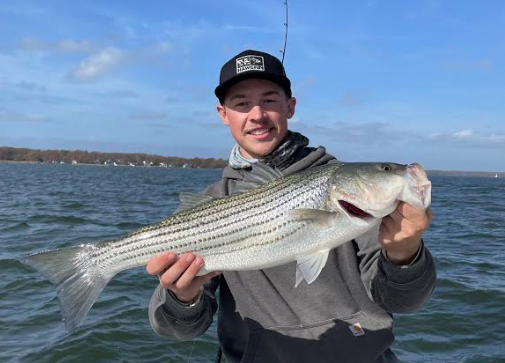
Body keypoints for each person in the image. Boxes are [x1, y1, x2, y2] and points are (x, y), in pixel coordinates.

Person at [146, 49, 436, 363]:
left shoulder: (351, 194)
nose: (257, 115)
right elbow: (177, 330)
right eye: (241, 103)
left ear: (290, 106)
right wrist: (182, 296)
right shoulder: (211, 204)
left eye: (269, 100)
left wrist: (405, 253)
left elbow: (403, 301)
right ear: (222, 114)